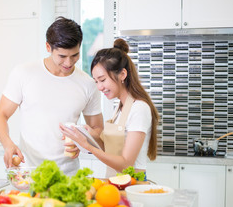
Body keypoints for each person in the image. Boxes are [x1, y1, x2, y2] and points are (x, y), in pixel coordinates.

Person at [0, 16, 103, 176]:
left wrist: (82, 144)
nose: (69, 62)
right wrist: (8, 144)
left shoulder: (88, 84)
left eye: (75, 55)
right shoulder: (24, 73)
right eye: (62, 56)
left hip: (68, 175)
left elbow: (97, 128)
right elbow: (0, 116)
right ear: (48, 47)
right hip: (28, 174)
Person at [60, 38, 159, 178]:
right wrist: (90, 136)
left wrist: (88, 146)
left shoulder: (139, 109)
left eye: (102, 80)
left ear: (122, 74)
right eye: (96, 82)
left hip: (134, 183)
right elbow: (112, 151)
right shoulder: (120, 107)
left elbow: (126, 164)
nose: (99, 87)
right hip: (115, 180)